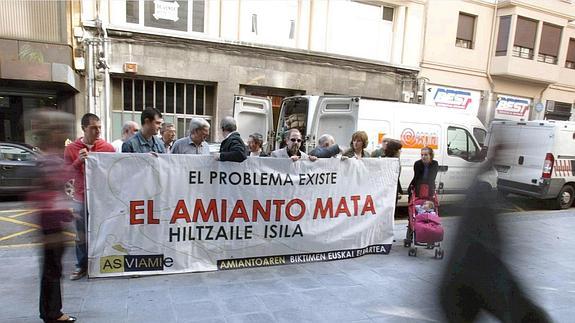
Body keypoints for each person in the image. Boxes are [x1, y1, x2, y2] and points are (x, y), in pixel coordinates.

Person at [30, 110, 77, 323]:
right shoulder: (48, 160)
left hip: (53, 222)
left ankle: (50, 311)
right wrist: (53, 226)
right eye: (62, 130)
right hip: (50, 225)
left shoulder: (50, 157)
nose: (65, 134)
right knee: (52, 270)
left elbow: (54, 193)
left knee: (52, 269)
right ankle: (52, 314)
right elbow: (43, 195)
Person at [64, 113, 115, 280]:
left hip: (102, 198)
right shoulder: (71, 149)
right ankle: (81, 266)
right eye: (94, 128)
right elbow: (65, 174)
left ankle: (101, 262)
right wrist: (78, 161)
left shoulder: (107, 148)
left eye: (99, 127)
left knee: (104, 230)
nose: (98, 131)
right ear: (84, 128)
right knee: (81, 234)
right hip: (81, 197)